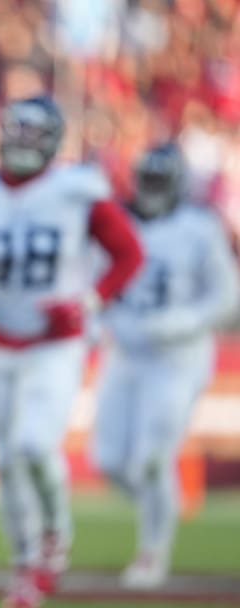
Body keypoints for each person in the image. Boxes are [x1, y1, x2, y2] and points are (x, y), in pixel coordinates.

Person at [0, 95, 144, 608]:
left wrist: (89, 303)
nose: (23, 144)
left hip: (57, 342)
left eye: (34, 135)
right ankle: (25, 564)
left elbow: (128, 253)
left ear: (52, 143)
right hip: (0, 340)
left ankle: (54, 539)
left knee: (32, 445)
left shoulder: (76, 189)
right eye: (17, 132)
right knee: (5, 461)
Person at [90, 143, 239, 590]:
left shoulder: (199, 227)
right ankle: (165, 505)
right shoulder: (115, 221)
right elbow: (93, 279)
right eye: (147, 180)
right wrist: (97, 321)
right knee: (110, 460)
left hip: (179, 357)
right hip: (127, 352)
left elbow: (228, 295)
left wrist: (185, 322)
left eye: (159, 181)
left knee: (154, 456)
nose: (151, 189)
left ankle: (152, 553)